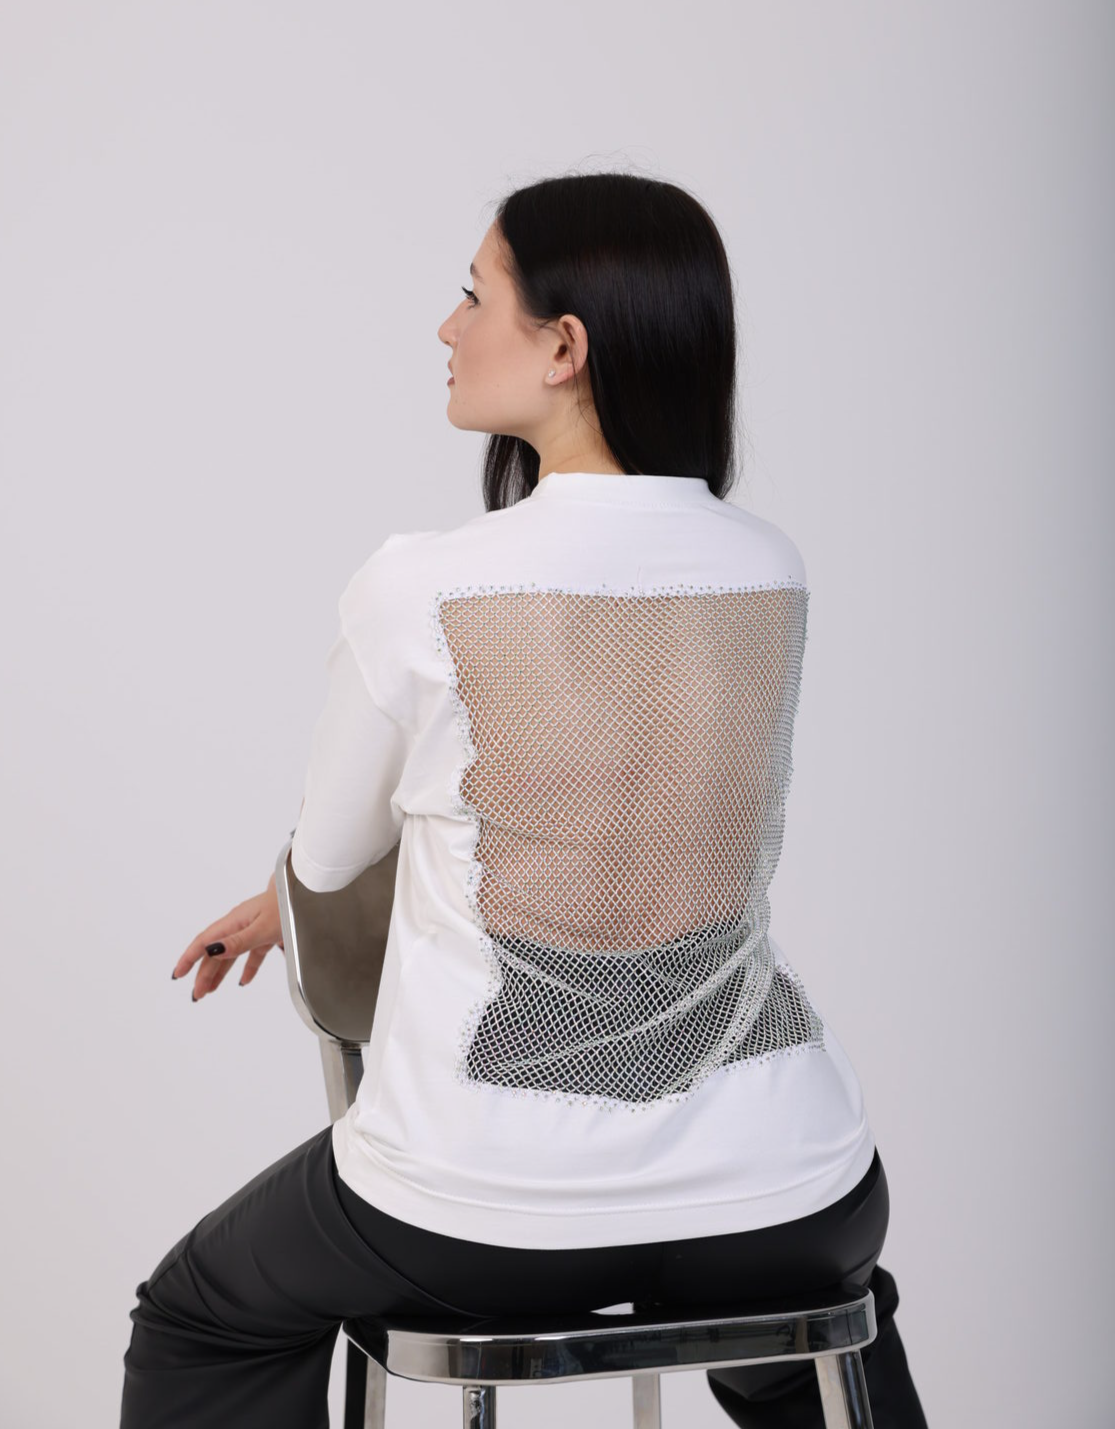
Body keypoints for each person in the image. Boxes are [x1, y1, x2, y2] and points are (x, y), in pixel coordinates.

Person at [120, 171, 928, 1428]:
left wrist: (295, 892)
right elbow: (623, 816)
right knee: (804, 1339)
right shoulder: (767, 567)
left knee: (198, 1315)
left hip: (485, 1205)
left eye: (472, 294)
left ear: (563, 348)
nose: (446, 327)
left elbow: (331, 860)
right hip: (785, 1187)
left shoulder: (421, 583)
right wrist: (286, 896)